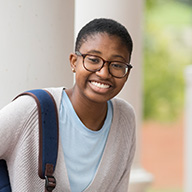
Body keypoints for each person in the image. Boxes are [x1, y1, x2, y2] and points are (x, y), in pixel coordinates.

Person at [0, 18, 136, 191]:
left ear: (127, 72)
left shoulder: (125, 117)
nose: (103, 73)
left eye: (117, 65)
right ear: (74, 62)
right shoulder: (32, 110)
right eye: (93, 59)